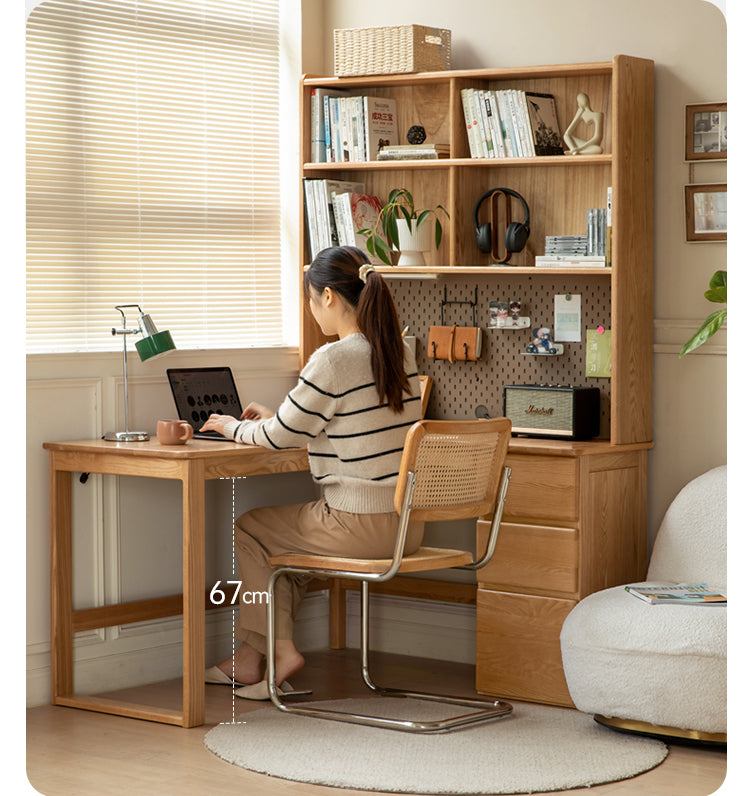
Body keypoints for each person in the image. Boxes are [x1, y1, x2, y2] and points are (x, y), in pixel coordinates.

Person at [200, 246, 424, 695]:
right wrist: (277, 417)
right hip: (405, 527)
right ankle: (247, 662)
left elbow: (280, 437)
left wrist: (230, 426)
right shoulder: (399, 352)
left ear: (327, 297)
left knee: (251, 529)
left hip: (355, 526)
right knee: (284, 554)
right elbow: (335, 422)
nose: (310, 309)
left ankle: (283, 653)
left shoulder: (333, 358)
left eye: (309, 299)